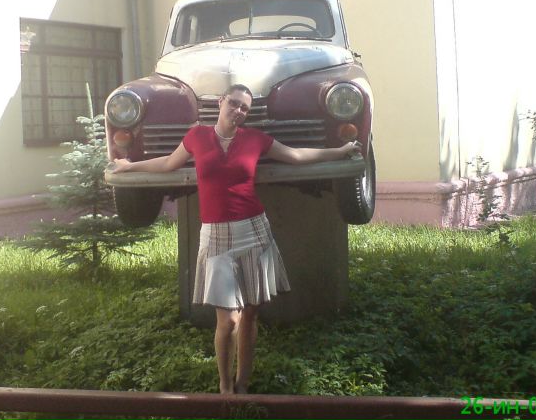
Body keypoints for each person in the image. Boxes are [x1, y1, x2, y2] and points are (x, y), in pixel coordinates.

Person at [110, 84, 360, 394]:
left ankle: (243, 384)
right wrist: (129, 167)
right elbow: (167, 163)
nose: (238, 110)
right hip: (215, 237)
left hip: (254, 231)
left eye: (244, 108)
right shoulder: (197, 136)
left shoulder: (255, 139)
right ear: (221, 102)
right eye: (234, 103)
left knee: (251, 313)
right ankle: (225, 388)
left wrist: (340, 151)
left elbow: (296, 155)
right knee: (228, 320)